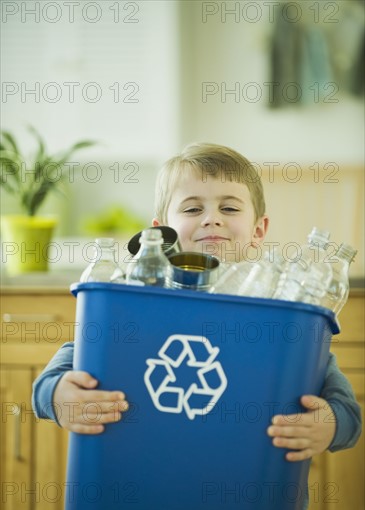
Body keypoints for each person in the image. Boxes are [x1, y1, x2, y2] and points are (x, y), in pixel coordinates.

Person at [32, 142, 361, 470]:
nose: (211, 220)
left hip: (247, 501)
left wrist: (330, 425)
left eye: (229, 209)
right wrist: (56, 395)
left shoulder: (280, 308)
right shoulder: (137, 298)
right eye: (192, 209)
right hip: (135, 484)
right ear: (161, 231)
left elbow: (348, 413)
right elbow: (69, 363)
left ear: (259, 230)